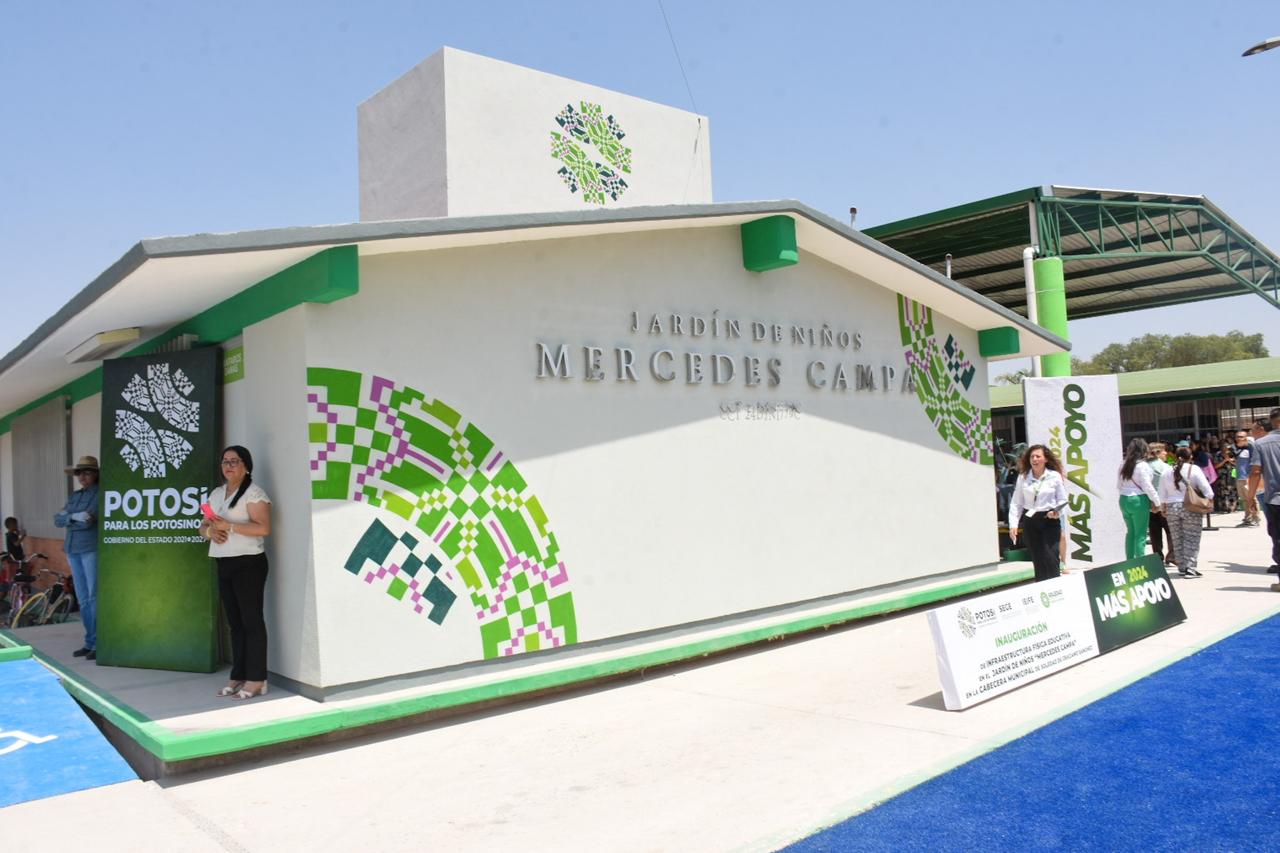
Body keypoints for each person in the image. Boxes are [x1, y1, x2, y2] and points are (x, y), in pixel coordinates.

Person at [199, 445, 272, 700]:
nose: (228, 466)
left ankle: (257, 679)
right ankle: (238, 674)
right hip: (223, 562)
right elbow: (203, 526)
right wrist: (210, 532)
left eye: (234, 461)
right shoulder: (217, 494)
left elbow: (263, 528)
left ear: (246, 466)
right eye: (225, 461)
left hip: (249, 563)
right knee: (235, 624)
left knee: (252, 622)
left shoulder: (254, 494)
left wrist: (229, 526)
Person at [54, 455, 100, 659]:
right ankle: (89, 641)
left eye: (87, 472)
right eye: (79, 472)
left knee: (93, 597)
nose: (82, 476)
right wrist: (73, 516)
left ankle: (98, 643)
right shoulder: (75, 496)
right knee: (83, 599)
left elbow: (88, 521)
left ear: (96, 474)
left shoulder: (101, 494)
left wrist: (69, 518)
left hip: (90, 548)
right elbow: (57, 520)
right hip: (72, 549)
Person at [1008, 444, 1069, 583]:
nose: (1034, 459)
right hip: (1031, 521)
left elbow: (1063, 499)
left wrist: (1056, 512)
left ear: (1045, 459)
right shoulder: (1023, 477)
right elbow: (1016, 502)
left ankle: (1055, 588)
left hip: (1049, 519)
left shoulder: (1054, 476)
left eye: (1038, 456)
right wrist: (1013, 524)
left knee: (1051, 557)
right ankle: (1042, 589)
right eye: (1032, 457)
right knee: (1038, 559)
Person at [1160, 446, 1211, 578]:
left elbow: (1162, 493)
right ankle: (1190, 567)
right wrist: (1208, 499)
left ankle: (1182, 566)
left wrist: (1163, 508)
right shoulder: (1194, 469)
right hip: (1190, 506)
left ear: (1175, 456)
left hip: (1171, 507)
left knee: (1177, 538)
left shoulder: (1167, 471)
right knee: (1192, 537)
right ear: (1191, 457)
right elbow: (1207, 490)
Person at [1245, 409, 1280, 586]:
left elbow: (1255, 472)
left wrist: (1250, 497)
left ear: (1273, 422)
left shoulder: (1261, 444)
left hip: (1275, 499)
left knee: (1278, 537)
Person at [1117, 438, 1163, 561]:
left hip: (1124, 499)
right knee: (1140, 534)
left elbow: (1119, 485)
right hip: (1138, 500)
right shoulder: (1143, 466)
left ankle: (1130, 561)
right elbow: (1147, 486)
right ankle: (1140, 562)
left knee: (1130, 533)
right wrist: (1157, 502)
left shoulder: (1123, 464)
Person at [1147, 443, 1174, 565]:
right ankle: (1171, 555)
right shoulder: (1166, 467)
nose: (1166, 453)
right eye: (1164, 451)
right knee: (1170, 530)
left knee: (1154, 532)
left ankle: (1157, 557)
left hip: (1150, 503)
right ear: (1158, 453)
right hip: (1165, 502)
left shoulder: (1144, 467)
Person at [1233, 429, 1259, 527]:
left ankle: (1256, 518)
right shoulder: (1238, 450)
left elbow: (1255, 463)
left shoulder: (1250, 448)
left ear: (1246, 438)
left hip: (1247, 478)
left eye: (1241, 437)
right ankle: (1248, 518)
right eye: (1237, 437)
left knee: (1252, 498)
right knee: (1244, 500)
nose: (1238, 439)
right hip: (1239, 478)